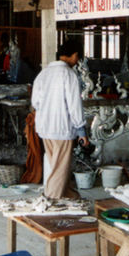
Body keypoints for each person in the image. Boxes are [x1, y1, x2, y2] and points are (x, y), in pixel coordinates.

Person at [31, 39, 89, 199]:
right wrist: (81, 129)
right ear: (74, 55)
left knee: (57, 167)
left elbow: (35, 102)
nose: (77, 61)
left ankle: (71, 198)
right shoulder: (68, 74)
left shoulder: (43, 73)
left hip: (45, 129)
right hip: (62, 129)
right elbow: (74, 105)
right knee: (59, 170)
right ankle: (50, 202)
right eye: (78, 57)